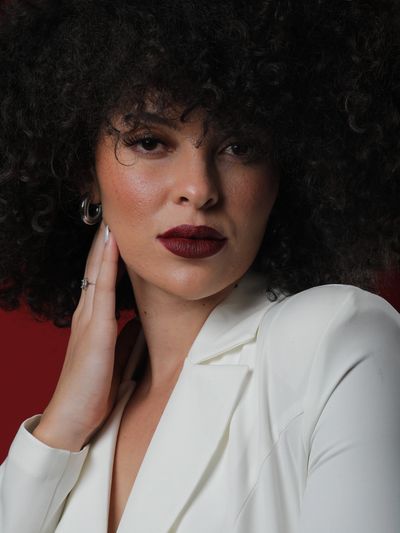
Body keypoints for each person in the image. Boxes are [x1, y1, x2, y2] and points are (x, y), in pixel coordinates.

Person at [0, 0, 399, 532]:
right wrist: (59, 428)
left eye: (239, 146)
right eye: (150, 141)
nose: (199, 188)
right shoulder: (78, 426)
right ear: (84, 171)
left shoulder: (339, 341)